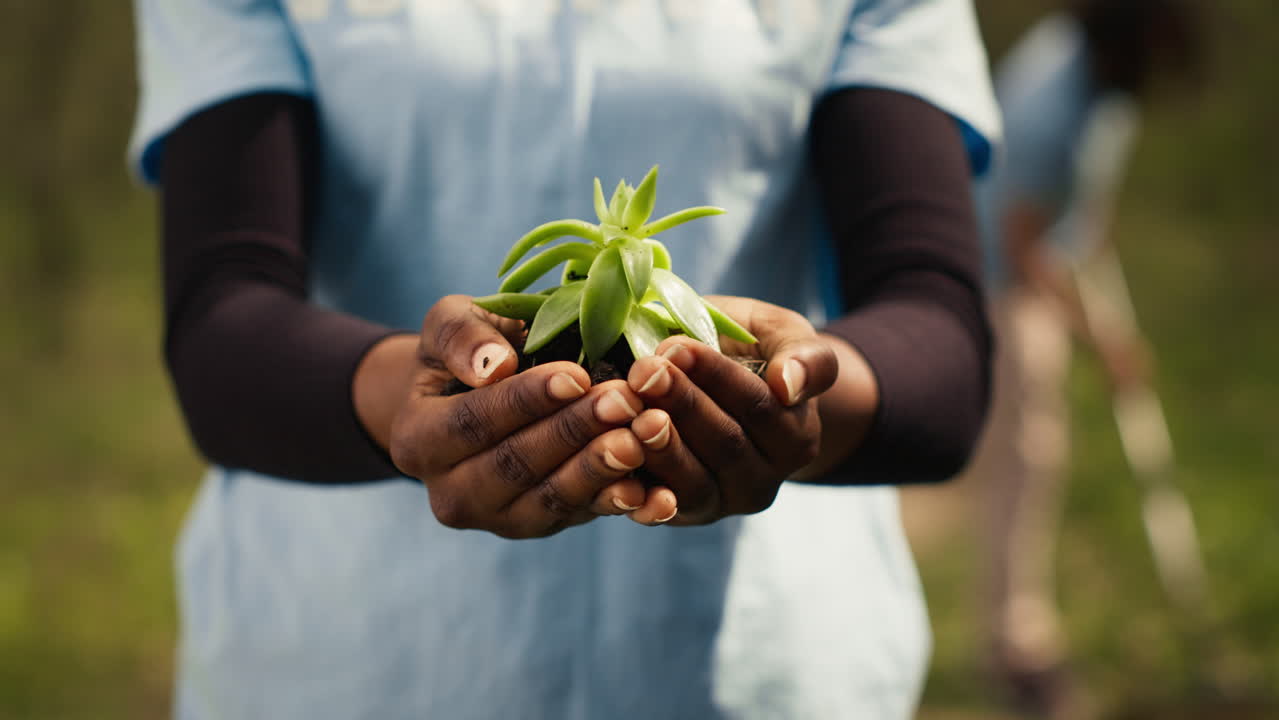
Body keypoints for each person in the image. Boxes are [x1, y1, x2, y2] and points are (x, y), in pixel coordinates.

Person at [131, 1, 999, 717]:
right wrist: (421, 404)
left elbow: (939, 341)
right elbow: (223, 325)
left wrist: (784, 396)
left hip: (756, 671)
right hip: (346, 657)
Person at [970, 1, 1203, 716]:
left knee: (1035, 452)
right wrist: (1101, 338)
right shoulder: (1045, 105)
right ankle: (1015, 643)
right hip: (997, 279)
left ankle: (1018, 627)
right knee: (1027, 453)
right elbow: (1019, 240)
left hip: (1045, 259)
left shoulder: (1107, 79)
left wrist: (1093, 244)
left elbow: (1081, 196)